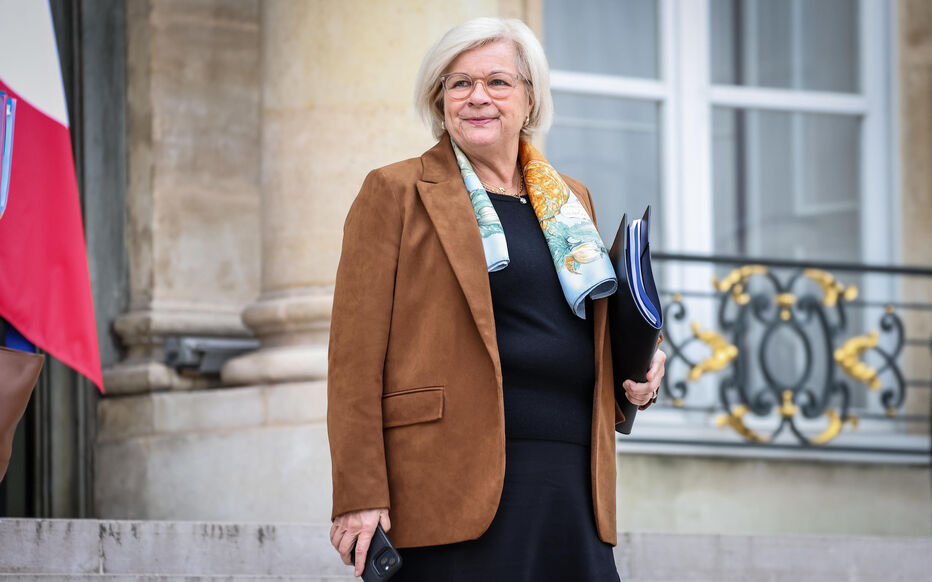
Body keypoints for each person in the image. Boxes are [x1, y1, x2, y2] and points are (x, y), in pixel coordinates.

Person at [327, 17, 666, 581]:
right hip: (449, 478)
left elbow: (583, 329)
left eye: (497, 82)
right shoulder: (395, 191)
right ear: (440, 100)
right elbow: (353, 361)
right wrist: (359, 492)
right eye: (458, 84)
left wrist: (639, 372)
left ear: (530, 99)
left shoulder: (569, 199)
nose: (476, 97)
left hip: (570, 474)